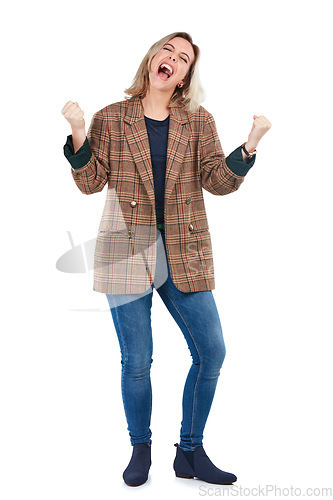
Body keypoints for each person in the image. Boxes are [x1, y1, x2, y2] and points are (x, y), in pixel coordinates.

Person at [61, 31, 272, 487]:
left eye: (183, 59)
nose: (173, 61)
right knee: (137, 359)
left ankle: (190, 453)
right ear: (153, 58)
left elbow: (218, 181)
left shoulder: (198, 121)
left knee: (211, 351)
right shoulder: (112, 118)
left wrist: (251, 143)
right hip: (125, 250)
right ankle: (141, 449)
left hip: (185, 248)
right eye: (168, 51)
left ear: (184, 77)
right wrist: (79, 134)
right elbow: (90, 182)